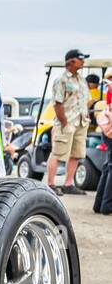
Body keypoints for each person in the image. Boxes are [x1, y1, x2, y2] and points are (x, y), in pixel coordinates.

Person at [48, 49, 90, 195]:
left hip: (80, 122)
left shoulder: (81, 80)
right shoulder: (61, 80)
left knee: (76, 154)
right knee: (58, 153)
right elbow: (57, 103)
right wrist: (64, 122)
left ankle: (68, 184)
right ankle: (51, 184)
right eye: (81, 59)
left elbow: (86, 101)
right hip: (66, 122)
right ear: (71, 61)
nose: (83, 61)